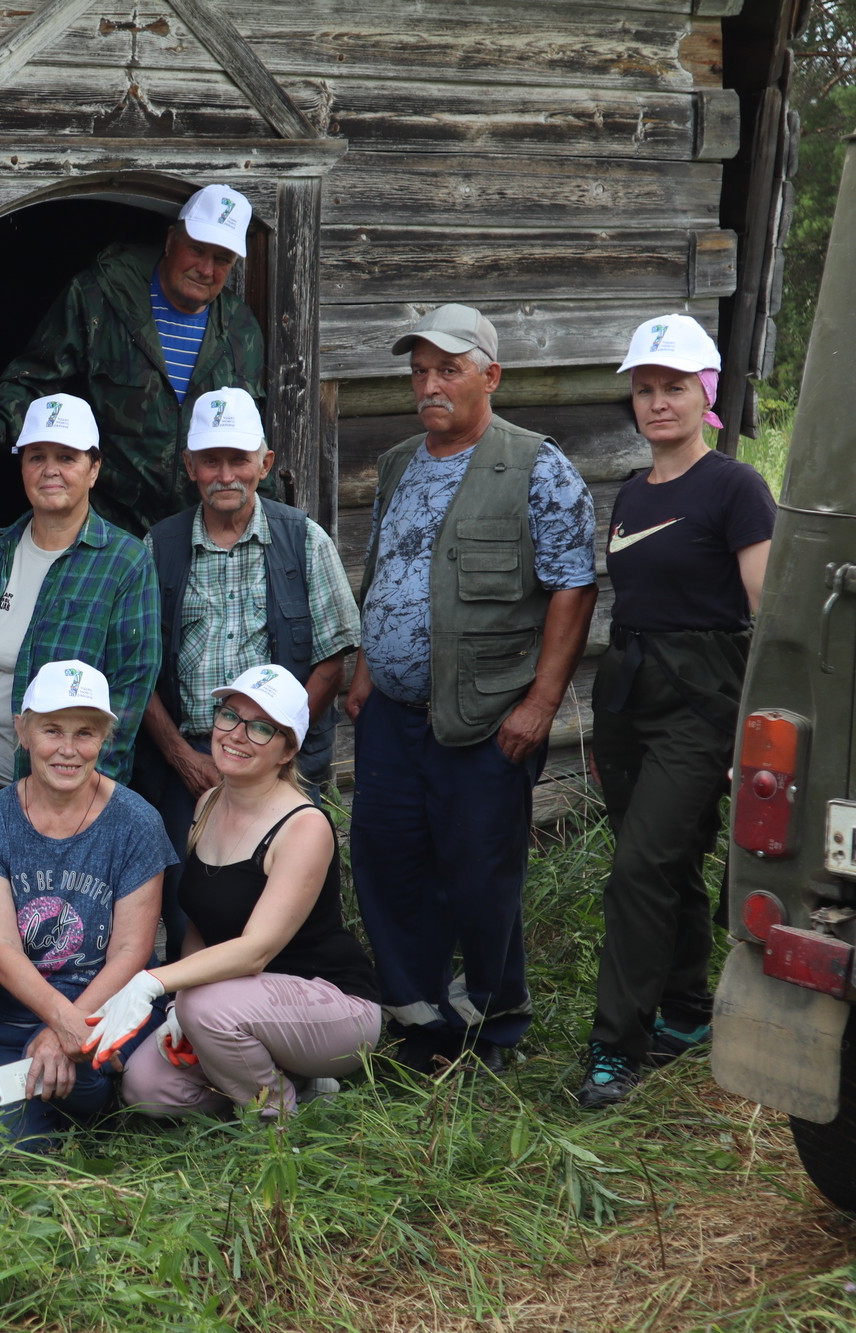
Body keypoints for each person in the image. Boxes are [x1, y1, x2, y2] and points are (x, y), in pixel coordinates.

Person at [344, 304, 598, 1073]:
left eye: (447, 369)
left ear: (490, 375)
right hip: (391, 715)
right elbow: (385, 568)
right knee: (387, 861)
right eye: (419, 371)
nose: (429, 385)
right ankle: (421, 1024)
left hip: (485, 716)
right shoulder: (397, 463)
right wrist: (364, 671)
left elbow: (573, 587)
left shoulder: (535, 463)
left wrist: (540, 704)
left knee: (478, 875)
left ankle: (492, 1027)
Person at [577, 315, 774, 1108]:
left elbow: (767, 614)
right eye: (646, 389)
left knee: (637, 869)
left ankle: (615, 1046)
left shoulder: (736, 487)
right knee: (666, 857)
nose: (658, 403)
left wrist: (752, 727)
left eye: (675, 388)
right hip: (630, 690)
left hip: (701, 698)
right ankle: (689, 1009)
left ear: (707, 393)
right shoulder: (629, 491)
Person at [97, 665, 381, 1119]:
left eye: (262, 728)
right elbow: (203, 922)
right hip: (236, 1005)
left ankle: (275, 1123)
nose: (237, 734)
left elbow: (254, 952)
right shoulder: (209, 802)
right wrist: (176, 1007)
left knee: (206, 1005)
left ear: (288, 750)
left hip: (332, 1007)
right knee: (145, 1086)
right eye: (230, 716)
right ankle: (291, 1082)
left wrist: (155, 983)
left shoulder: (303, 826)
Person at [138, 389, 360, 951]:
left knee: (275, 903)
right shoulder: (158, 547)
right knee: (188, 902)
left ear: (265, 462)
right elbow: (138, 670)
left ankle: (269, 1018)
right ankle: (184, 1024)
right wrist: (182, 758)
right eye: (210, 460)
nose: (225, 474)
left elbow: (333, 660)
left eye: (239, 459)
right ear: (190, 466)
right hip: (188, 761)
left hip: (280, 760)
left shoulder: (303, 539)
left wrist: (272, 746)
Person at [0, 183, 266, 536]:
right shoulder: (98, 297)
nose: (205, 268)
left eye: (221, 260)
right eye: (196, 250)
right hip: (106, 526)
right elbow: (36, 381)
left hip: (199, 532)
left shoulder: (240, 328)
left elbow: (252, 437)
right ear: (170, 240)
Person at [0, 661, 171, 1147]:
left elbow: (131, 951)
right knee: (3, 1155)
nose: (69, 749)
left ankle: (95, 1085)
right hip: (19, 1007)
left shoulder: (137, 822)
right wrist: (62, 1022)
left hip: (110, 1005)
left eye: (86, 733)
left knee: (89, 1088)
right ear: (23, 730)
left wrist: (68, 1032)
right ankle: (80, 1086)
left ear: (105, 739)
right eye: (52, 729)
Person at [0, 393, 161, 791]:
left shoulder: (125, 563)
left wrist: (81, 799)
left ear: (94, 469)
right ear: (21, 467)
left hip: (71, 796)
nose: (49, 470)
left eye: (67, 457)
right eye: (37, 456)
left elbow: (129, 692)